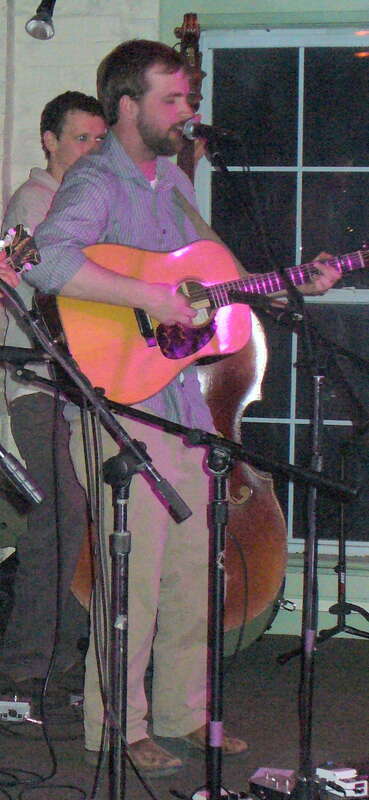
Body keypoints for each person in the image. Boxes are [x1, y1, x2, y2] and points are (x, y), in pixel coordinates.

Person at [26, 40, 340, 777]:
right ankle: (118, 726)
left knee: (197, 567)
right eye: (170, 100)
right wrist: (149, 297)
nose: (187, 112)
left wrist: (283, 284)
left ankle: (181, 712)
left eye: (188, 99)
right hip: (118, 404)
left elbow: (213, 273)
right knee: (132, 576)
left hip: (179, 404)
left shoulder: (169, 179)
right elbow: (46, 258)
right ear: (126, 106)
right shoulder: (97, 179)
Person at [0, 91, 107, 695]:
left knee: (84, 516)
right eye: (81, 138)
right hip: (38, 386)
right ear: (49, 140)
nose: (92, 149)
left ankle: (62, 654)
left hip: (83, 386)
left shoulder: (87, 203)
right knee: (57, 517)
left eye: (99, 140)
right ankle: (23, 666)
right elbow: (45, 289)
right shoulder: (32, 202)